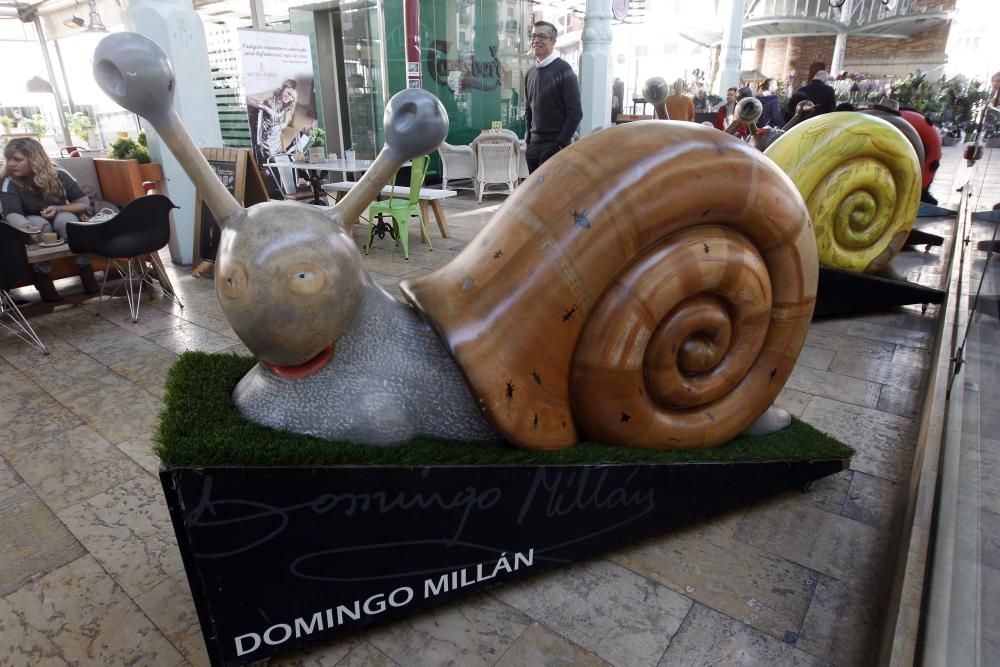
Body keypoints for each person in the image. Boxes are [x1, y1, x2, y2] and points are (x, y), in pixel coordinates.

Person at [0, 137, 99, 301]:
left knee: (67, 222)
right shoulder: (8, 180)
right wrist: (28, 228)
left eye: (17, 159)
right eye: (8, 159)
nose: (11, 164)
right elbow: (12, 214)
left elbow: (83, 203)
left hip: (61, 214)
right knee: (40, 225)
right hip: (31, 220)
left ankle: (86, 272)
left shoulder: (58, 173)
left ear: (34, 159)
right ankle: (44, 281)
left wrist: (59, 208)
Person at [523, 21, 582, 173]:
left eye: (542, 36)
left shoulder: (564, 70)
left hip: (554, 146)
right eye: (534, 36)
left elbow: (575, 113)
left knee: (554, 196)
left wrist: (559, 144)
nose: (536, 40)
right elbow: (528, 111)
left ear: (553, 42)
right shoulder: (530, 73)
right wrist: (529, 142)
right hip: (534, 148)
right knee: (535, 195)